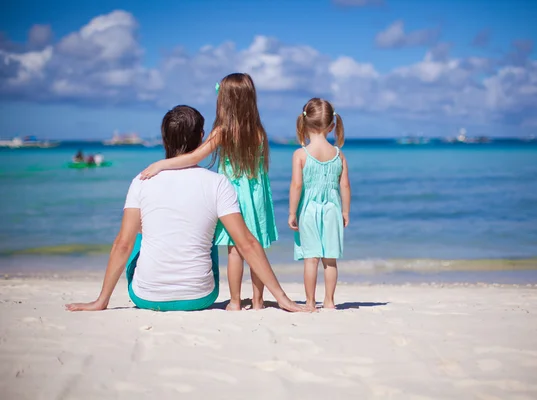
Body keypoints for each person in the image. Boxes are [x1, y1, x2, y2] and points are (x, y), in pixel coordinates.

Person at [65, 105, 304, 313]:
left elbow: (122, 245)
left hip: (145, 297)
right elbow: (247, 244)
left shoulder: (142, 180)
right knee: (208, 232)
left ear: (164, 139)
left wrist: (101, 301)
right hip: (200, 297)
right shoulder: (218, 182)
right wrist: (282, 297)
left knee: (137, 234)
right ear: (202, 137)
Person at [139, 73, 277, 311]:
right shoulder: (259, 133)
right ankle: (258, 301)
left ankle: (234, 301)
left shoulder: (223, 131)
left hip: (231, 196)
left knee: (235, 250)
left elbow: (194, 157)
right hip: (257, 196)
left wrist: (161, 164)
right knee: (255, 247)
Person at [288, 98, 351, 310]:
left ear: (304, 125)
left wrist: (292, 212)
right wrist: (345, 211)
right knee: (330, 259)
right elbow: (345, 186)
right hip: (332, 209)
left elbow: (297, 185)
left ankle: (309, 302)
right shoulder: (339, 154)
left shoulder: (301, 154)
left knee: (311, 259)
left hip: (308, 210)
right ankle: (330, 302)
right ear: (332, 126)